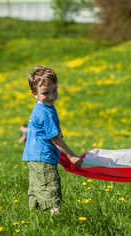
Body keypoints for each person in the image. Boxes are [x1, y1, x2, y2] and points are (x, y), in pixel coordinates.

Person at [22, 66, 83, 216]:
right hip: (43, 157)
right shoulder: (45, 113)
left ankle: (36, 217)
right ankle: (56, 219)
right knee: (51, 188)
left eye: (54, 90)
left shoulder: (40, 107)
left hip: (34, 156)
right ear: (34, 93)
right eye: (45, 93)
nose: (51, 96)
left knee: (37, 187)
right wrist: (71, 155)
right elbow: (55, 138)